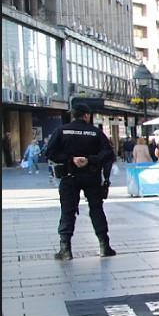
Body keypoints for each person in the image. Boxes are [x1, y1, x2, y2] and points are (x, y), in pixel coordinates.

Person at [45, 98, 117, 260]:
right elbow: (108, 154)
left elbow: (50, 153)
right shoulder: (96, 132)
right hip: (91, 176)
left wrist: (71, 159)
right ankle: (104, 246)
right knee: (97, 209)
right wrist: (90, 160)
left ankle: (65, 249)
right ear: (86, 116)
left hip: (69, 176)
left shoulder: (62, 131)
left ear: (73, 115)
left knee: (68, 211)